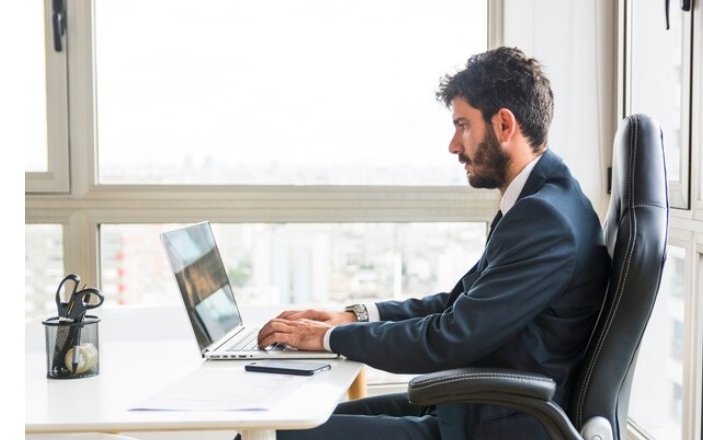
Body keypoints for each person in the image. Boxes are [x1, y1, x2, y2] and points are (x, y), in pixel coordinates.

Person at [256, 46, 611, 440]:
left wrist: (323, 338)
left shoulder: (545, 219)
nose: (454, 145)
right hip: (477, 404)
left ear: (504, 125)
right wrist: (355, 316)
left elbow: (449, 338)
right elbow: (457, 304)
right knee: (282, 424)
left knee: (272, 435)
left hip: (494, 424)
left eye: (463, 125)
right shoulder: (545, 200)